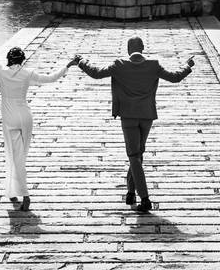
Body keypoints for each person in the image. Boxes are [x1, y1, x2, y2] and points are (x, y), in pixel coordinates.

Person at [0, 29, 79, 211]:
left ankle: (25, 195)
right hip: (26, 117)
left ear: (8, 60)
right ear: (22, 60)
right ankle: (12, 191)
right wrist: (68, 65)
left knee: (16, 157)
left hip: (10, 118)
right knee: (21, 156)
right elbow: (51, 78)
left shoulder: (0, 71)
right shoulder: (27, 73)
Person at [77, 36, 193, 213]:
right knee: (138, 154)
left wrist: (81, 61)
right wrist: (187, 66)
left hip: (128, 117)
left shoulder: (119, 65)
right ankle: (131, 193)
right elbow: (175, 77)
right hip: (146, 116)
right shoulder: (154, 65)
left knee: (133, 155)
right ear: (143, 48)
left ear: (128, 49)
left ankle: (145, 199)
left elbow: (95, 72)